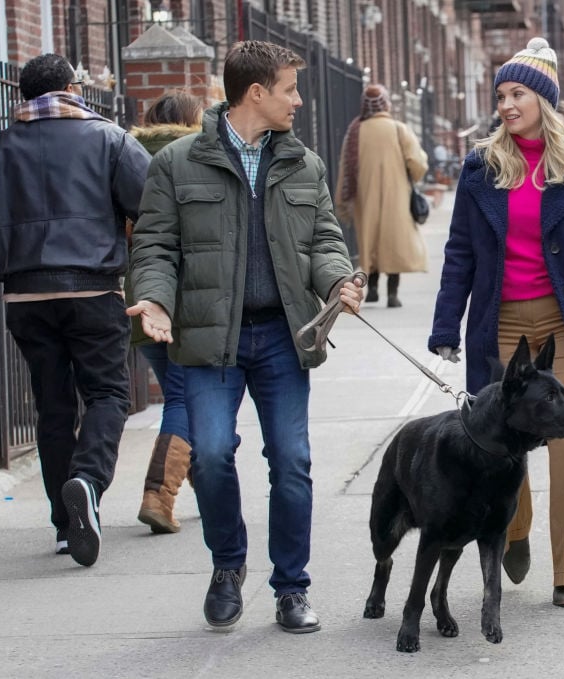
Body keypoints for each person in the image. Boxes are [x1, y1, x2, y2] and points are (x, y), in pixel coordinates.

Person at [127, 40, 363, 633]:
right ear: (255, 93)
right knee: (208, 456)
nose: (299, 101)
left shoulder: (303, 163)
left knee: (292, 461)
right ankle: (227, 568)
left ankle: (291, 587)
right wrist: (155, 297)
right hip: (210, 341)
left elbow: (325, 241)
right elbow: (153, 245)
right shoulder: (176, 163)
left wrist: (338, 281)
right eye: (290, 89)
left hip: (283, 336)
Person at [428, 37, 564, 608]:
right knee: (502, 444)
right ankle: (515, 526)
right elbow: (460, 254)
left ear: (544, 101)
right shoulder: (481, 168)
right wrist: (446, 327)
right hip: (500, 327)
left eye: (517, 93)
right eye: (501, 94)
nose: (505, 104)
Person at [0, 53, 151, 567]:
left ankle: (66, 527)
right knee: (107, 393)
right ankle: (87, 481)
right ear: (72, 87)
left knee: (53, 405)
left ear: (23, 95)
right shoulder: (109, 139)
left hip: (25, 297)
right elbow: (152, 208)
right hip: (93, 290)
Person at [128, 92, 204, 534]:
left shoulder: (126, 153)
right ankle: (159, 494)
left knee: (185, 394)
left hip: (140, 292)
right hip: (187, 296)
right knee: (186, 398)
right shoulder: (195, 156)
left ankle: (210, 487)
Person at [336, 83, 428, 307]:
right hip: (396, 197)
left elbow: (344, 170)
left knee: (370, 242)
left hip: (364, 199)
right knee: (392, 242)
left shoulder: (354, 132)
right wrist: (413, 176)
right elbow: (417, 164)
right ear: (385, 103)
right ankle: (393, 294)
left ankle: (373, 288)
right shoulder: (398, 129)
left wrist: (341, 201)